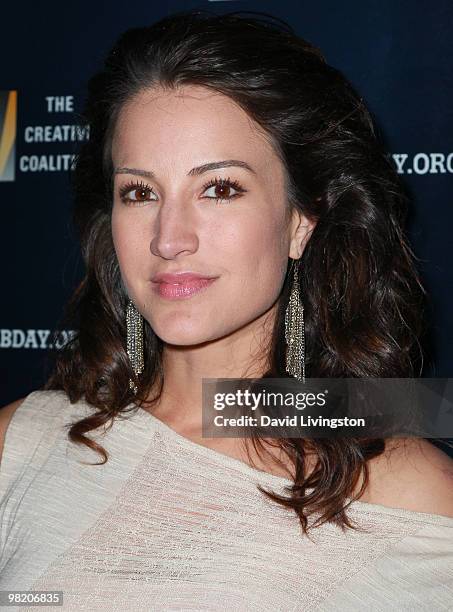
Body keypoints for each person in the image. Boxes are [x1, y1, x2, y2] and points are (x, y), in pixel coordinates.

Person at [1, 10, 452, 610]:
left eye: (219, 188)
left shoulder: (416, 499)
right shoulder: (18, 446)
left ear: (301, 220)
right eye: (140, 192)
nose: (169, 238)